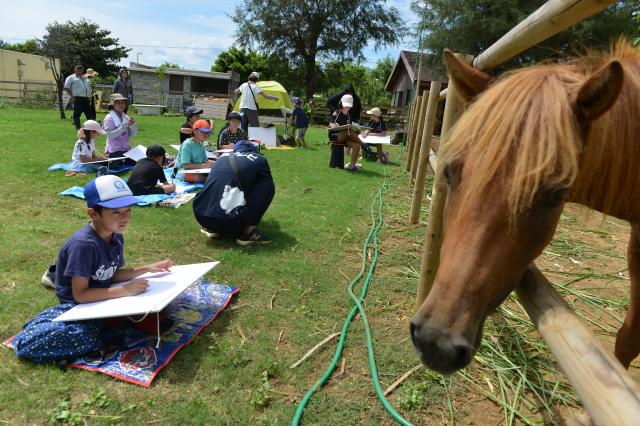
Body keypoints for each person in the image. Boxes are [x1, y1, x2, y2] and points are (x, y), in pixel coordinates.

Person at [13, 175, 173, 363]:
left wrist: (147, 268)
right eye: (115, 212)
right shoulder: (83, 245)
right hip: (80, 307)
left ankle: (113, 325)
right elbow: (80, 295)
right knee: (81, 334)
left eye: (128, 210)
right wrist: (125, 290)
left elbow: (111, 274)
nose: (124, 218)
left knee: (160, 315)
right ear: (93, 214)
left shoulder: (116, 236)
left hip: (104, 297)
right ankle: (106, 333)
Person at [193, 140, 275, 245]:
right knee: (268, 185)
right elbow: (263, 183)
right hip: (229, 220)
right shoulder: (260, 159)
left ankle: (212, 228)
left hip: (201, 215)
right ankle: (249, 232)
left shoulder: (220, 159)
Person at [328, 94, 363, 171]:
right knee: (347, 131)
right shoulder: (337, 112)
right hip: (336, 135)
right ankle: (364, 145)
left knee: (356, 145)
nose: (347, 107)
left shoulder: (349, 115)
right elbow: (330, 124)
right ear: (341, 104)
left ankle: (352, 166)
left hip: (346, 137)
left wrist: (357, 129)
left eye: (349, 106)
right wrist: (333, 125)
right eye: (346, 105)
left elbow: (350, 126)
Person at [103, 93, 137, 165]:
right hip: (114, 151)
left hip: (126, 150)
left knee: (141, 159)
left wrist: (132, 125)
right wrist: (123, 127)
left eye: (123, 103)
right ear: (113, 105)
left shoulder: (126, 117)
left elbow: (133, 134)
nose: (121, 105)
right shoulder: (109, 118)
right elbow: (110, 136)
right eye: (118, 103)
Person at [64, 64, 93, 130]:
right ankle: (78, 127)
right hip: (77, 98)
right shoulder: (71, 78)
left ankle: (91, 127)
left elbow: (88, 87)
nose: (80, 70)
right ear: (75, 70)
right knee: (77, 114)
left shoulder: (85, 78)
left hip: (86, 99)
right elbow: (66, 87)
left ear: (83, 70)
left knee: (89, 114)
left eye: (81, 69)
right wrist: (71, 97)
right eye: (78, 69)